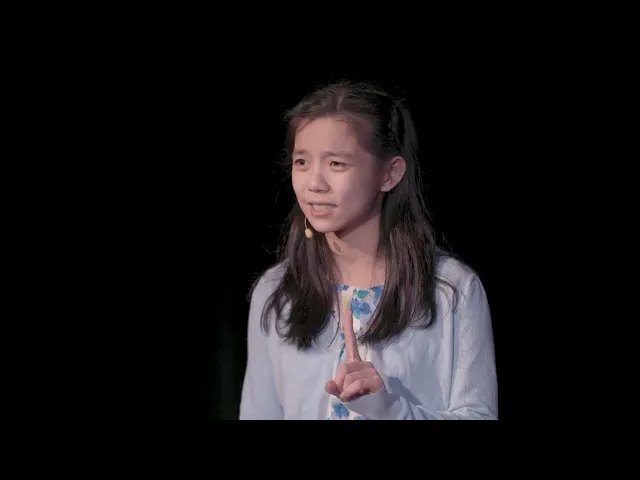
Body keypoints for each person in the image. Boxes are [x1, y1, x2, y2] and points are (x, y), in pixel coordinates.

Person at [239, 80, 498, 420]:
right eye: (301, 162)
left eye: (336, 164)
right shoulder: (278, 291)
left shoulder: (450, 289)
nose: (314, 183)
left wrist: (389, 410)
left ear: (389, 174)